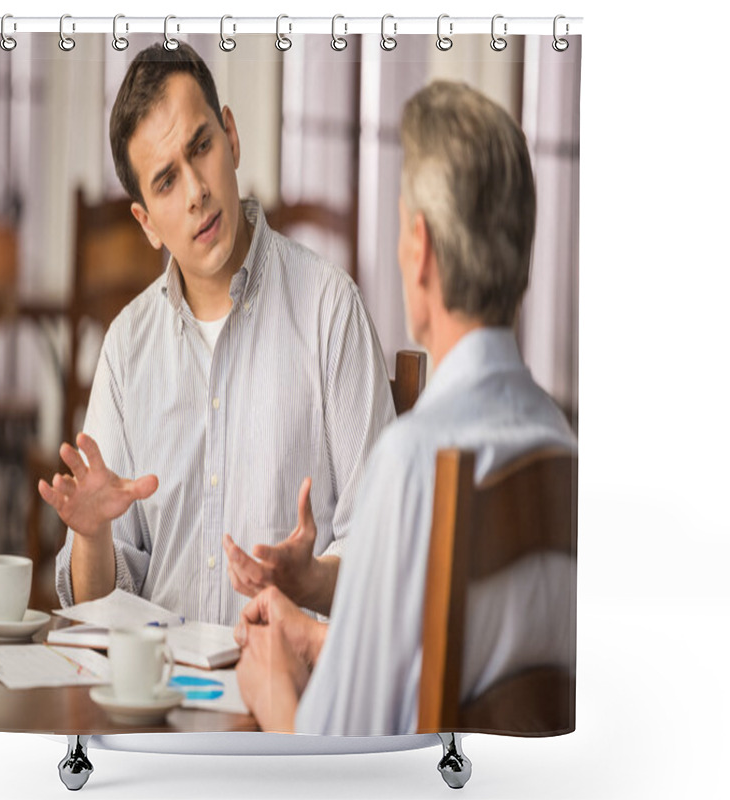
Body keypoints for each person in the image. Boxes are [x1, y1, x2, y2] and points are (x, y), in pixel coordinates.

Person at [233, 80, 578, 734]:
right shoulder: (563, 448)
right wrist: (318, 638)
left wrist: (270, 681)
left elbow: (334, 767)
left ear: (420, 251)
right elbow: (463, 661)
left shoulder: (416, 462)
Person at [42, 43, 395, 625]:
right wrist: (93, 536)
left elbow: (384, 553)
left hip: (294, 699)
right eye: (164, 182)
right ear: (146, 222)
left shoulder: (330, 309)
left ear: (231, 136)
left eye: (200, 147)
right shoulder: (127, 349)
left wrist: (312, 582)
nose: (195, 192)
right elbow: (97, 609)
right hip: (155, 702)